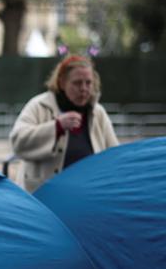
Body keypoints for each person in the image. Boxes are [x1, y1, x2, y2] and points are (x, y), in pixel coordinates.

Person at [10, 55, 119, 192]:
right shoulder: (39, 105)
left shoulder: (98, 112)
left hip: (87, 197)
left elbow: (115, 156)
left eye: (88, 83)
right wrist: (57, 127)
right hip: (43, 199)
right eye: (77, 83)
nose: (84, 88)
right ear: (61, 83)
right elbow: (17, 141)